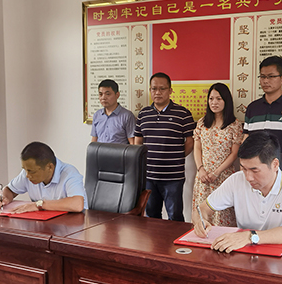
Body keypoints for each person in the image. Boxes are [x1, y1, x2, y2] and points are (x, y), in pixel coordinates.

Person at [192, 132, 282, 253]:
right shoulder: (236, 180)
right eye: (244, 168)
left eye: (254, 170)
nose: (248, 177)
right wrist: (200, 221)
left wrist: (250, 237)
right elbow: (201, 210)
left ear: (275, 164)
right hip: (246, 253)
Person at [134, 72, 196, 221]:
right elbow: (138, 142)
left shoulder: (183, 114)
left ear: (170, 90)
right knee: (151, 216)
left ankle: (176, 238)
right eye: (154, 88)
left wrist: (176, 157)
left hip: (173, 176)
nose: (158, 92)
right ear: (150, 90)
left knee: (175, 216)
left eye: (162, 89)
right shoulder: (143, 114)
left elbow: (190, 142)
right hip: (149, 176)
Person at [192, 83, 243, 227]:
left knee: (222, 215)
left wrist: (216, 172)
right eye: (211, 99)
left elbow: (234, 153)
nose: (214, 102)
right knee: (202, 215)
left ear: (226, 101)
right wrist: (201, 169)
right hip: (203, 177)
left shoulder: (234, 125)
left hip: (223, 176)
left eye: (219, 99)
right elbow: (197, 148)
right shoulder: (202, 122)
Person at [0, 141, 87, 213]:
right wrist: (3, 198)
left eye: (32, 171)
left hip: (73, 226)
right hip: (44, 225)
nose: (27, 175)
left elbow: (77, 204)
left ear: (50, 167)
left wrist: (38, 205)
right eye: (25, 170)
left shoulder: (69, 174)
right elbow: (10, 190)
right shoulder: (27, 173)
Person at [90, 79, 136, 144]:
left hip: (119, 150)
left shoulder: (127, 115)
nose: (103, 98)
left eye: (107, 94)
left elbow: (132, 143)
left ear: (117, 95)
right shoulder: (97, 115)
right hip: (100, 151)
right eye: (100, 94)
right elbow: (94, 141)